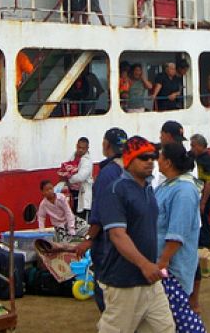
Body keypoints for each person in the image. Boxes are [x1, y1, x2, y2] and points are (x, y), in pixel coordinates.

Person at [97, 135, 175, 333]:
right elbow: (117, 235)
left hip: (150, 280)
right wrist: (144, 264)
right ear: (129, 160)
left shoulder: (147, 189)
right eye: (144, 157)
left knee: (165, 328)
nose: (150, 161)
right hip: (124, 282)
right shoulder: (116, 191)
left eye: (153, 157)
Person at [75, 127, 128, 312]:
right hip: (129, 240)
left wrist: (88, 240)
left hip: (108, 242)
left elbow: (99, 213)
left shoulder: (107, 174)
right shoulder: (130, 170)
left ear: (106, 146)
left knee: (105, 290)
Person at [156, 142, 206, 332]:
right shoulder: (167, 185)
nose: (156, 160)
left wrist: (163, 261)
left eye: (160, 157)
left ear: (168, 162)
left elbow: (177, 233)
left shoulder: (184, 190)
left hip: (172, 267)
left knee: (179, 317)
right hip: (164, 264)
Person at [189, 134, 210, 250]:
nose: (191, 148)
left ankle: (205, 247)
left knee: (203, 221)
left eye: (193, 146)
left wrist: (203, 202)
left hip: (205, 196)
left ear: (200, 146)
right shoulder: (196, 157)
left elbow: (209, 183)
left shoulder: (208, 161)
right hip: (198, 194)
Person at [57, 136, 93, 219]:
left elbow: (81, 177)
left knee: (81, 216)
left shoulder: (87, 161)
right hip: (71, 192)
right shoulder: (73, 156)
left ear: (87, 148)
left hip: (82, 192)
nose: (80, 150)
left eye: (83, 148)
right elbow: (65, 166)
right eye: (79, 147)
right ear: (76, 146)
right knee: (71, 214)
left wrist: (69, 178)